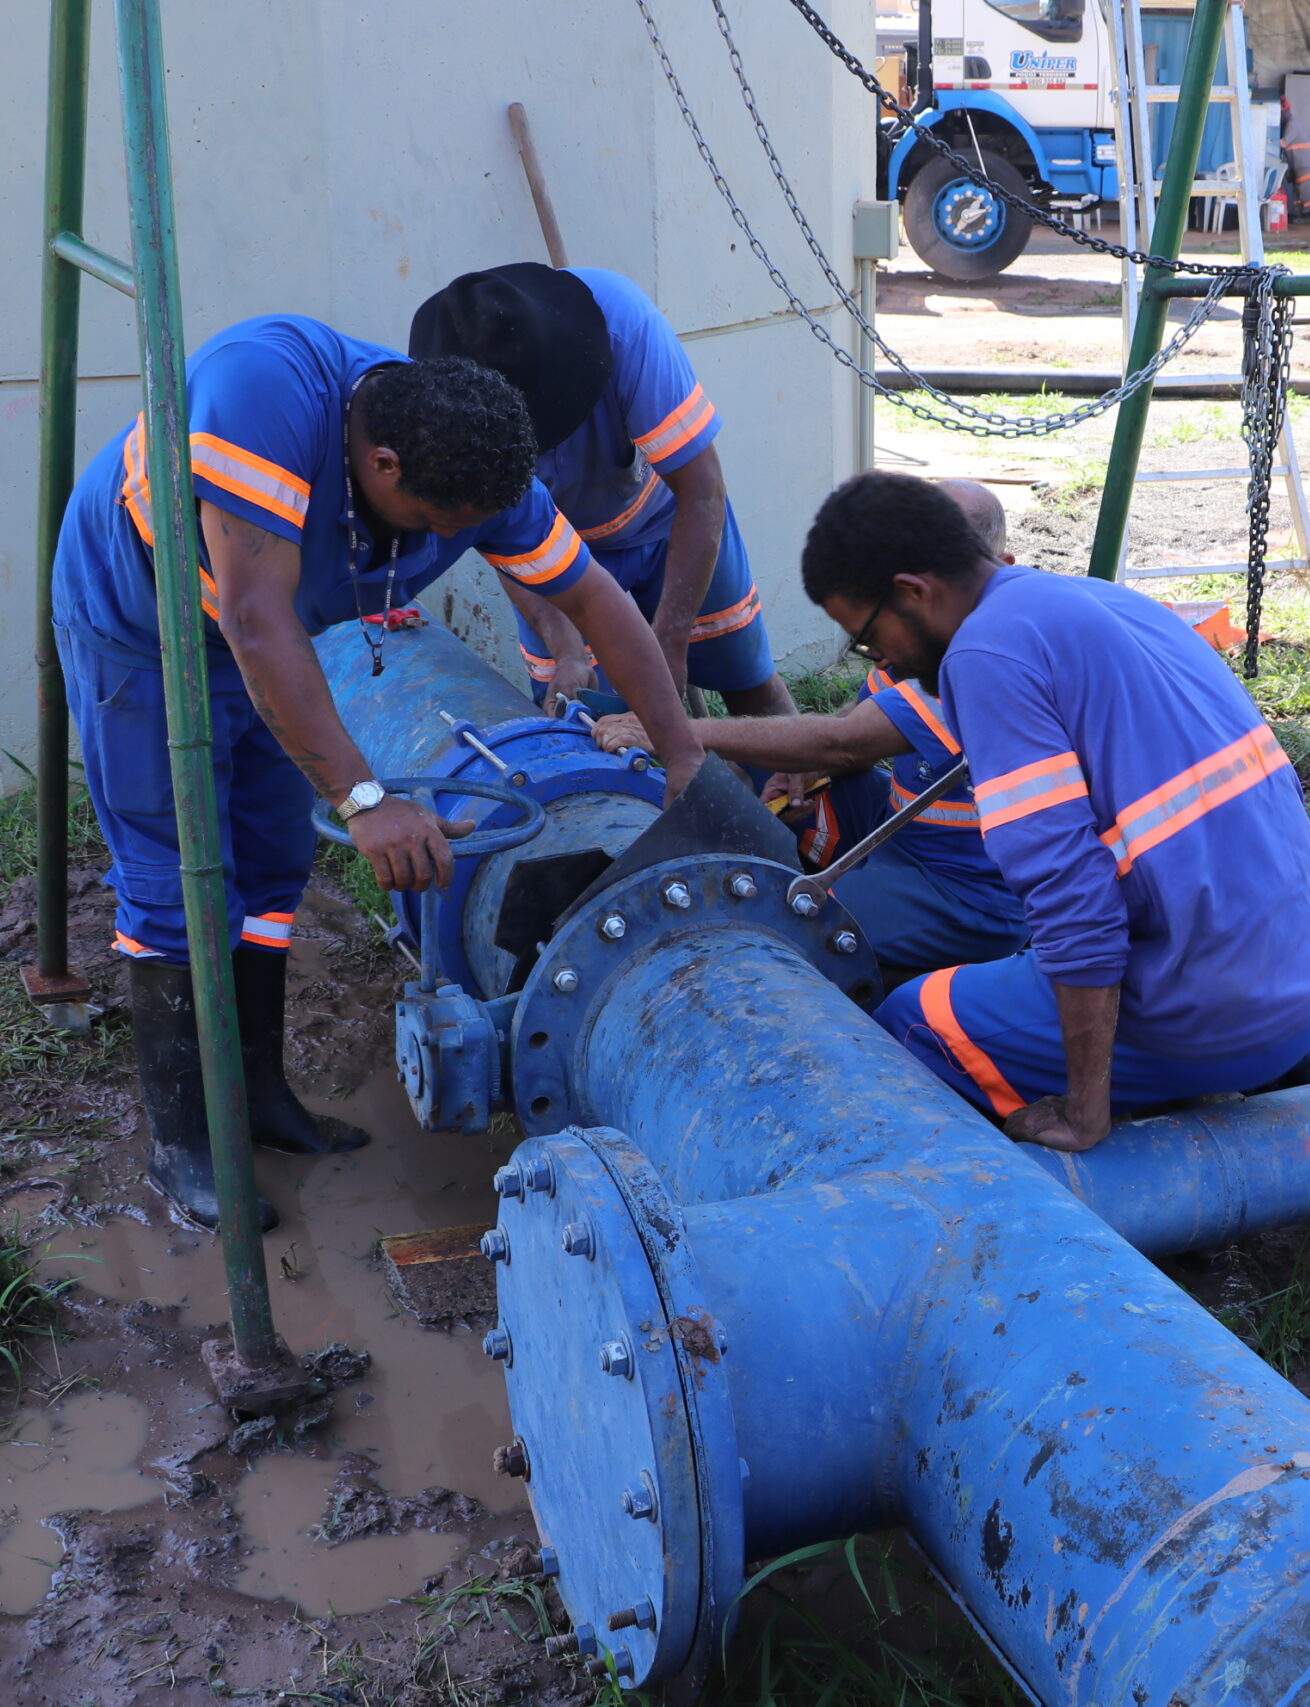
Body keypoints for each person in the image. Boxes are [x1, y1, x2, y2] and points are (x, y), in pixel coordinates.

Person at [53, 314, 705, 1229]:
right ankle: (182, 1142)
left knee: (273, 864)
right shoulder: (261, 398)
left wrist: (683, 761)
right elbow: (251, 619)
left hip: (277, 636)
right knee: (177, 877)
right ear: (384, 466)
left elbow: (593, 597)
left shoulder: (473, 459)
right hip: (145, 631)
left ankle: (259, 1093)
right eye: (438, 529)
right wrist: (365, 797)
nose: (450, 543)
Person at [798, 472, 1310, 1152]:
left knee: (912, 1020)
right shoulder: (1103, 601)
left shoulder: (983, 655)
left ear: (914, 591)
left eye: (867, 636)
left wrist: (1083, 1105)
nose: (878, 658)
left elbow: (1073, 899)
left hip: (1223, 1014)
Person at [588, 481, 1028, 980]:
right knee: (767, 764)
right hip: (904, 827)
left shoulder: (989, 651)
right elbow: (850, 726)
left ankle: (774, 922)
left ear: (1000, 564)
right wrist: (808, 767)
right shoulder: (927, 623)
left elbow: (846, 742)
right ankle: (758, 871)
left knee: (782, 914)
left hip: (966, 892)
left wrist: (674, 733)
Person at [408, 264, 797, 718]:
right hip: (553, 557)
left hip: (673, 523)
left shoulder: (625, 326)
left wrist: (668, 644)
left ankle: (804, 783)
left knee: (749, 687)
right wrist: (568, 650)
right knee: (584, 720)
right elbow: (504, 539)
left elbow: (702, 490)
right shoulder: (447, 400)